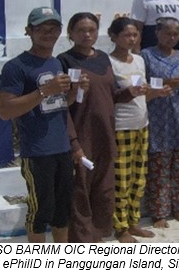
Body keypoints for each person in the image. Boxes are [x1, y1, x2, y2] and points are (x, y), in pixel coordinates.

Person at [0, 7, 87, 243]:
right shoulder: (16, 66)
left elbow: (61, 105)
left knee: (62, 213)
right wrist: (44, 90)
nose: (48, 33)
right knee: (40, 213)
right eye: (41, 28)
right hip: (37, 153)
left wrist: (75, 90)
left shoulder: (57, 63)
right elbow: (5, 111)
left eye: (53, 28)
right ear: (29, 31)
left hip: (62, 150)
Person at [58, 12, 134, 243]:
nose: (87, 34)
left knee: (104, 188)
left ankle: (99, 234)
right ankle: (82, 240)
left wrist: (132, 92)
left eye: (91, 29)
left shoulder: (102, 57)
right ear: (71, 33)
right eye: (80, 30)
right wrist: (73, 142)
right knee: (80, 188)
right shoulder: (64, 60)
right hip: (82, 133)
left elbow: (111, 96)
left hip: (106, 133)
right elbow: (61, 106)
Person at [141, 17, 179, 228]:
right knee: (159, 166)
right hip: (160, 117)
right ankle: (159, 212)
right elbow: (143, 84)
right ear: (157, 33)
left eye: (176, 33)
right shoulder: (147, 56)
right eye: (167, 33)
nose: (172, 37)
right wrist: (166, 83)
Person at [108, 17, 156, 242]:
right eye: (127, 35)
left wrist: (155, 91)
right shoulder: (109, 63)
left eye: (135, 34)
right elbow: (111, 96)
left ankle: (133, 221)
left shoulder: (138, 59)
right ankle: (120, 227)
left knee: (139, 178)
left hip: (142, 124)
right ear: (114, 37)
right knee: (122, 180)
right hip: (122, 126)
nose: (132, 38)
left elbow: (142, 91)